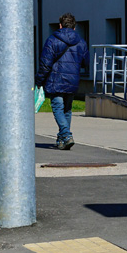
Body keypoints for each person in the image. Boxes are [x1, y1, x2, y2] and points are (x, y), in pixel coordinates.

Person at [37, 12, 89, 150]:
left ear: (60, 25)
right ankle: (62, 140)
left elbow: (45, 64)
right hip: (72, 81)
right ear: (74, 27)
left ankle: (66, 135)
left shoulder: (52, 40)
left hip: (55, 81)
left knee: (58, 108)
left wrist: (39, 81)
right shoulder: (81, 42)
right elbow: (86, 62)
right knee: (67, 110)